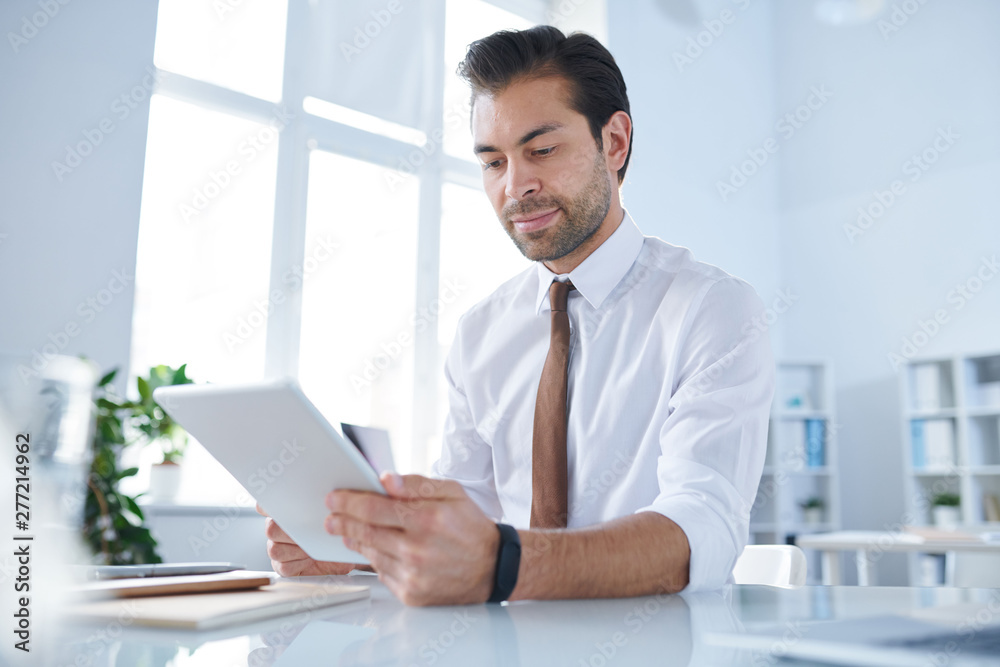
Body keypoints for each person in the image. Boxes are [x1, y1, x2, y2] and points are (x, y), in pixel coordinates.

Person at [259, 25, 774, 606]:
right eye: (493, 162)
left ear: (615, 142)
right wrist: (362, 552)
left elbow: (702, 527)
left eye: (542, 150)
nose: (516, 186)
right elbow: (469, 517)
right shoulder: (481, 333)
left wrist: (506, 565)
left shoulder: (713, 310)